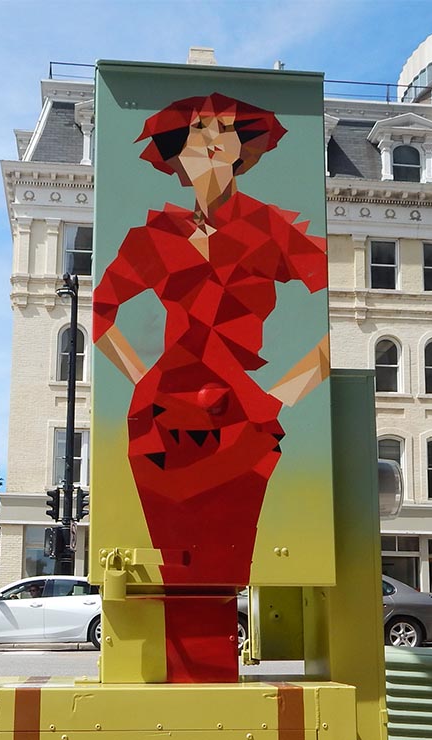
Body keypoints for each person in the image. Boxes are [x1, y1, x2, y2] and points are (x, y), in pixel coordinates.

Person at [93, 92, 329, 590]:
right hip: (160, 424)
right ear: (176, 154)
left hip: (240, 420)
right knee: (170, 568)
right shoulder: (156, 236)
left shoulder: (270, 229)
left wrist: (280, 397)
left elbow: (347, 316)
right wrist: (144, 379)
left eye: (224, 130)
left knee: (225, 563)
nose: (213, 142)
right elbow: (100, 312)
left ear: (245, 148)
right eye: (198, 131)